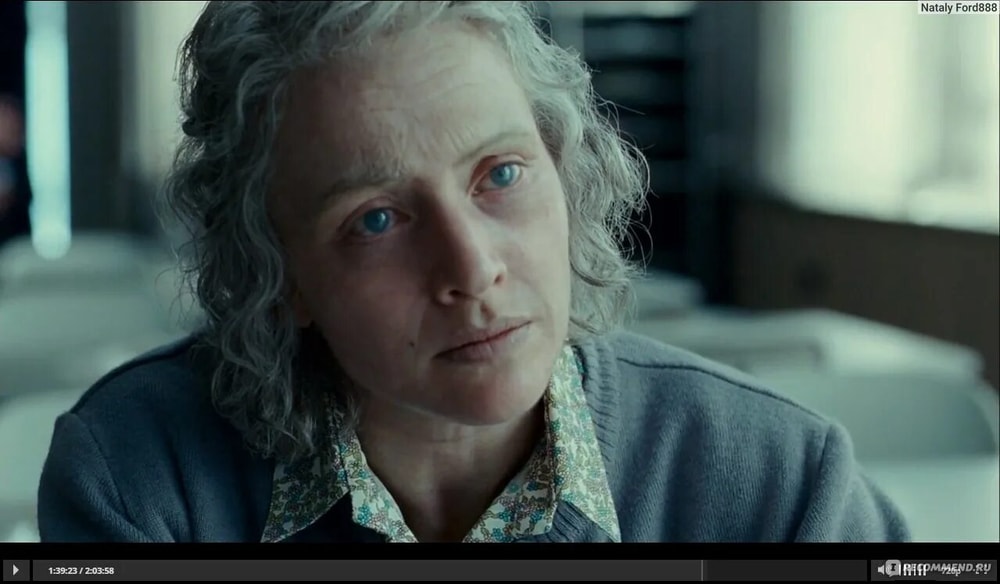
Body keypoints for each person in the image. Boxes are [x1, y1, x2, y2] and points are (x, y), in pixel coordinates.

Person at [37, 1, 909, 543]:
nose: (473, 269)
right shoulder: (138, 479)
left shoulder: (781, 484)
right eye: (376, 219)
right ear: (278, 272)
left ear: (564, 169)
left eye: (501, 174)